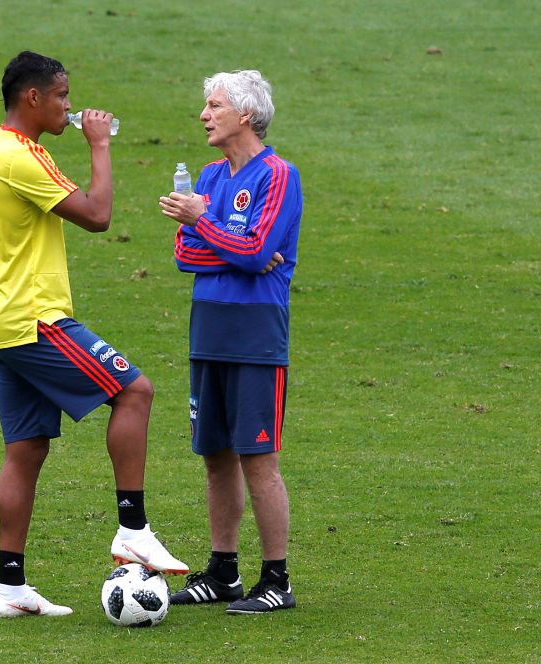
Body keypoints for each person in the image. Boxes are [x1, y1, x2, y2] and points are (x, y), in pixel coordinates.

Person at [0, 51, 188, 619]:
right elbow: (97, 215)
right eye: (64, 97)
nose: (72, 107)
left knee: (25, 450)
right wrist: (99, 144)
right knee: (135, 391)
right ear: (33, 98)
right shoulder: (19, 156)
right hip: (35, 319)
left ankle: (10, 587)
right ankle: (132, 529)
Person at [158, 70, 302, 614]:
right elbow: (184, 255)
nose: (203, 115)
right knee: (214, 456)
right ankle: (223, 572)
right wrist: (241, 248)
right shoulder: (211, 174)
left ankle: (277, 580)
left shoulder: (279, 175)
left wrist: (207, 222)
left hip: (255, 336)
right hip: (208, 332)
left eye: (214, 105)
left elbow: (253, 246)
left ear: (245, 114)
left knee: (256, 457)